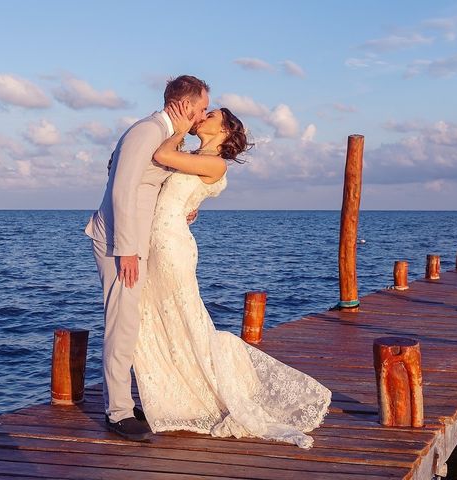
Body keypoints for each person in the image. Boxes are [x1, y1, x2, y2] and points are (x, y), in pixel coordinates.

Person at [133, 102, 332, 449]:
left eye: (210, 116)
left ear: (224, 131)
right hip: (157, 240)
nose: (202, 117)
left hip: (170, 248)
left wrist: (178, 123)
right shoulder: (196, 156)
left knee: (182, 317)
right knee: (157, 318)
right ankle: (174, 392)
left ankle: (200, 392)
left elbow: (162, 155)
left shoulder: (213, 162)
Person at [85, 75, 209, 441]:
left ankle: (122, 400)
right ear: (185, 104)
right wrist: (127, 248)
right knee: (122, 323)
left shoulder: (163, 134)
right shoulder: (147, 130)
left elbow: (124, 173)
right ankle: (118, 412)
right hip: (120, 245)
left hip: (135, 241)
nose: (203, 115)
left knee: (132, 322)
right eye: (202, 107)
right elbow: (122, 187)